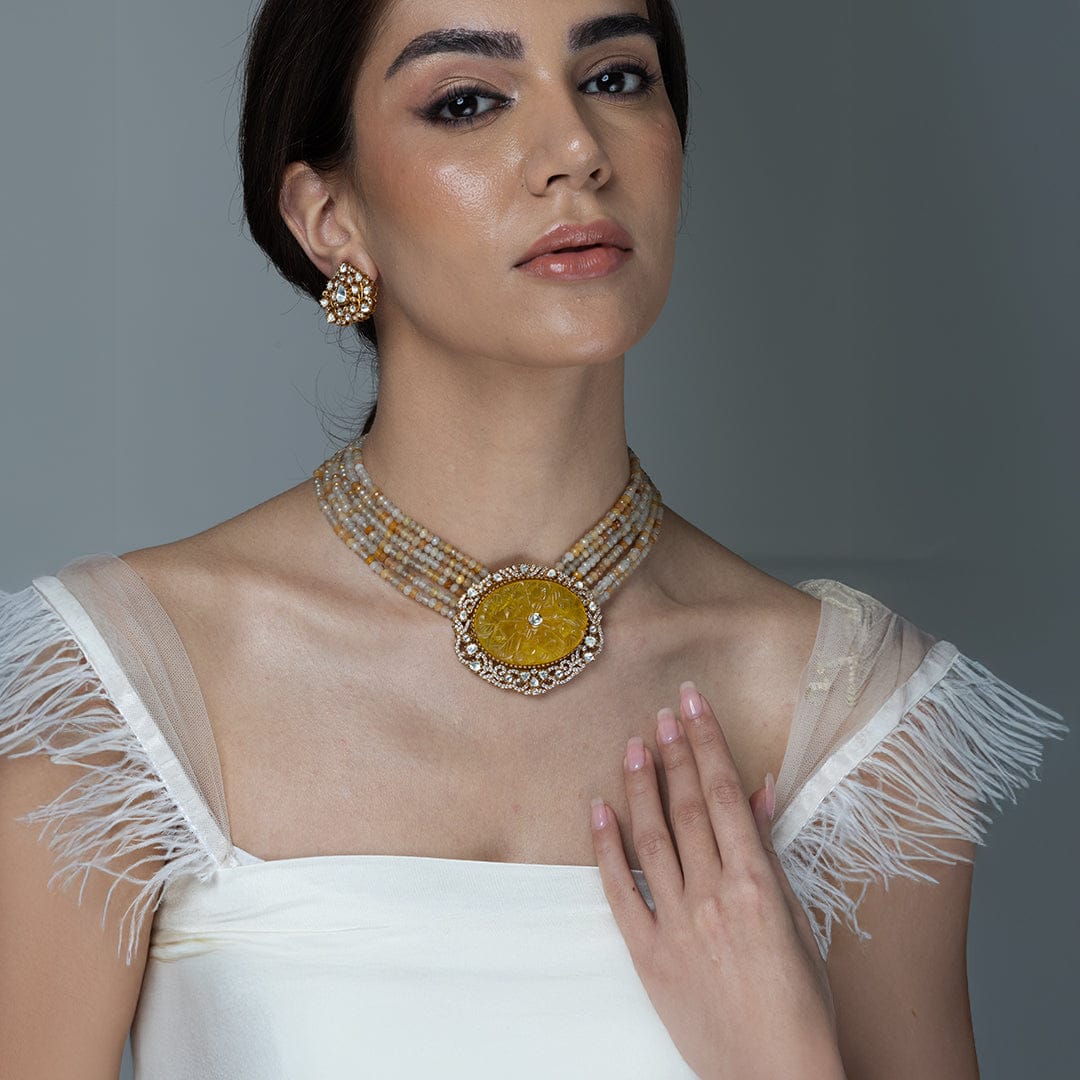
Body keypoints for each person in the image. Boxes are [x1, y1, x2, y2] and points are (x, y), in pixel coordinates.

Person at [0, 1, 1068, 1077]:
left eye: (615, 79)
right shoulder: (125, 696)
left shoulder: (851, 722)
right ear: (329, 218)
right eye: (469, 101)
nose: (577, 150)